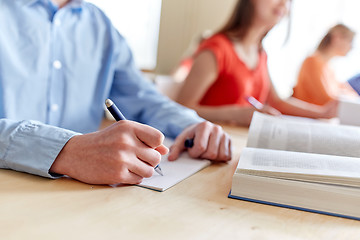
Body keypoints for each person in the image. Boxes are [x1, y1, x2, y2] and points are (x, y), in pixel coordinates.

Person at [0, 0, 231, 185]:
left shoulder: (100, 25)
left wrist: (190, 125)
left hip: (76, 193)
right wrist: (64, 150)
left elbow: (142, 96)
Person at [176, 0, 337, 126]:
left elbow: (277, 102)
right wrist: (235, 114)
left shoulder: (260, 53)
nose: (284, 3)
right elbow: (182, 107)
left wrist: (321, 113)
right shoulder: (216, 49)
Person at [292, 24, 357, 105]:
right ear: (337, 38)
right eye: (350, 41)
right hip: (306, 116)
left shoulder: (329, 68)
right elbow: (326, 101)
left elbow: (352, 95)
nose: (352, 47)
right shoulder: (312, 61)